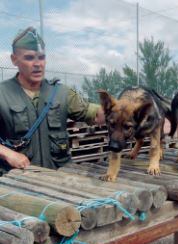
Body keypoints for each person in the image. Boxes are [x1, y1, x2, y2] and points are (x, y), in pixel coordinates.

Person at [0, 27, 105, 175]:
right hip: (19, 183)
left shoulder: (61, 93)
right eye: (29, 58)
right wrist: (8, 153)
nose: (38, 64)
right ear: (14, 59)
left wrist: (123, 110)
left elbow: (94, 114)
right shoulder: (2, 94)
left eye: (41, 57)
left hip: (58, 180)